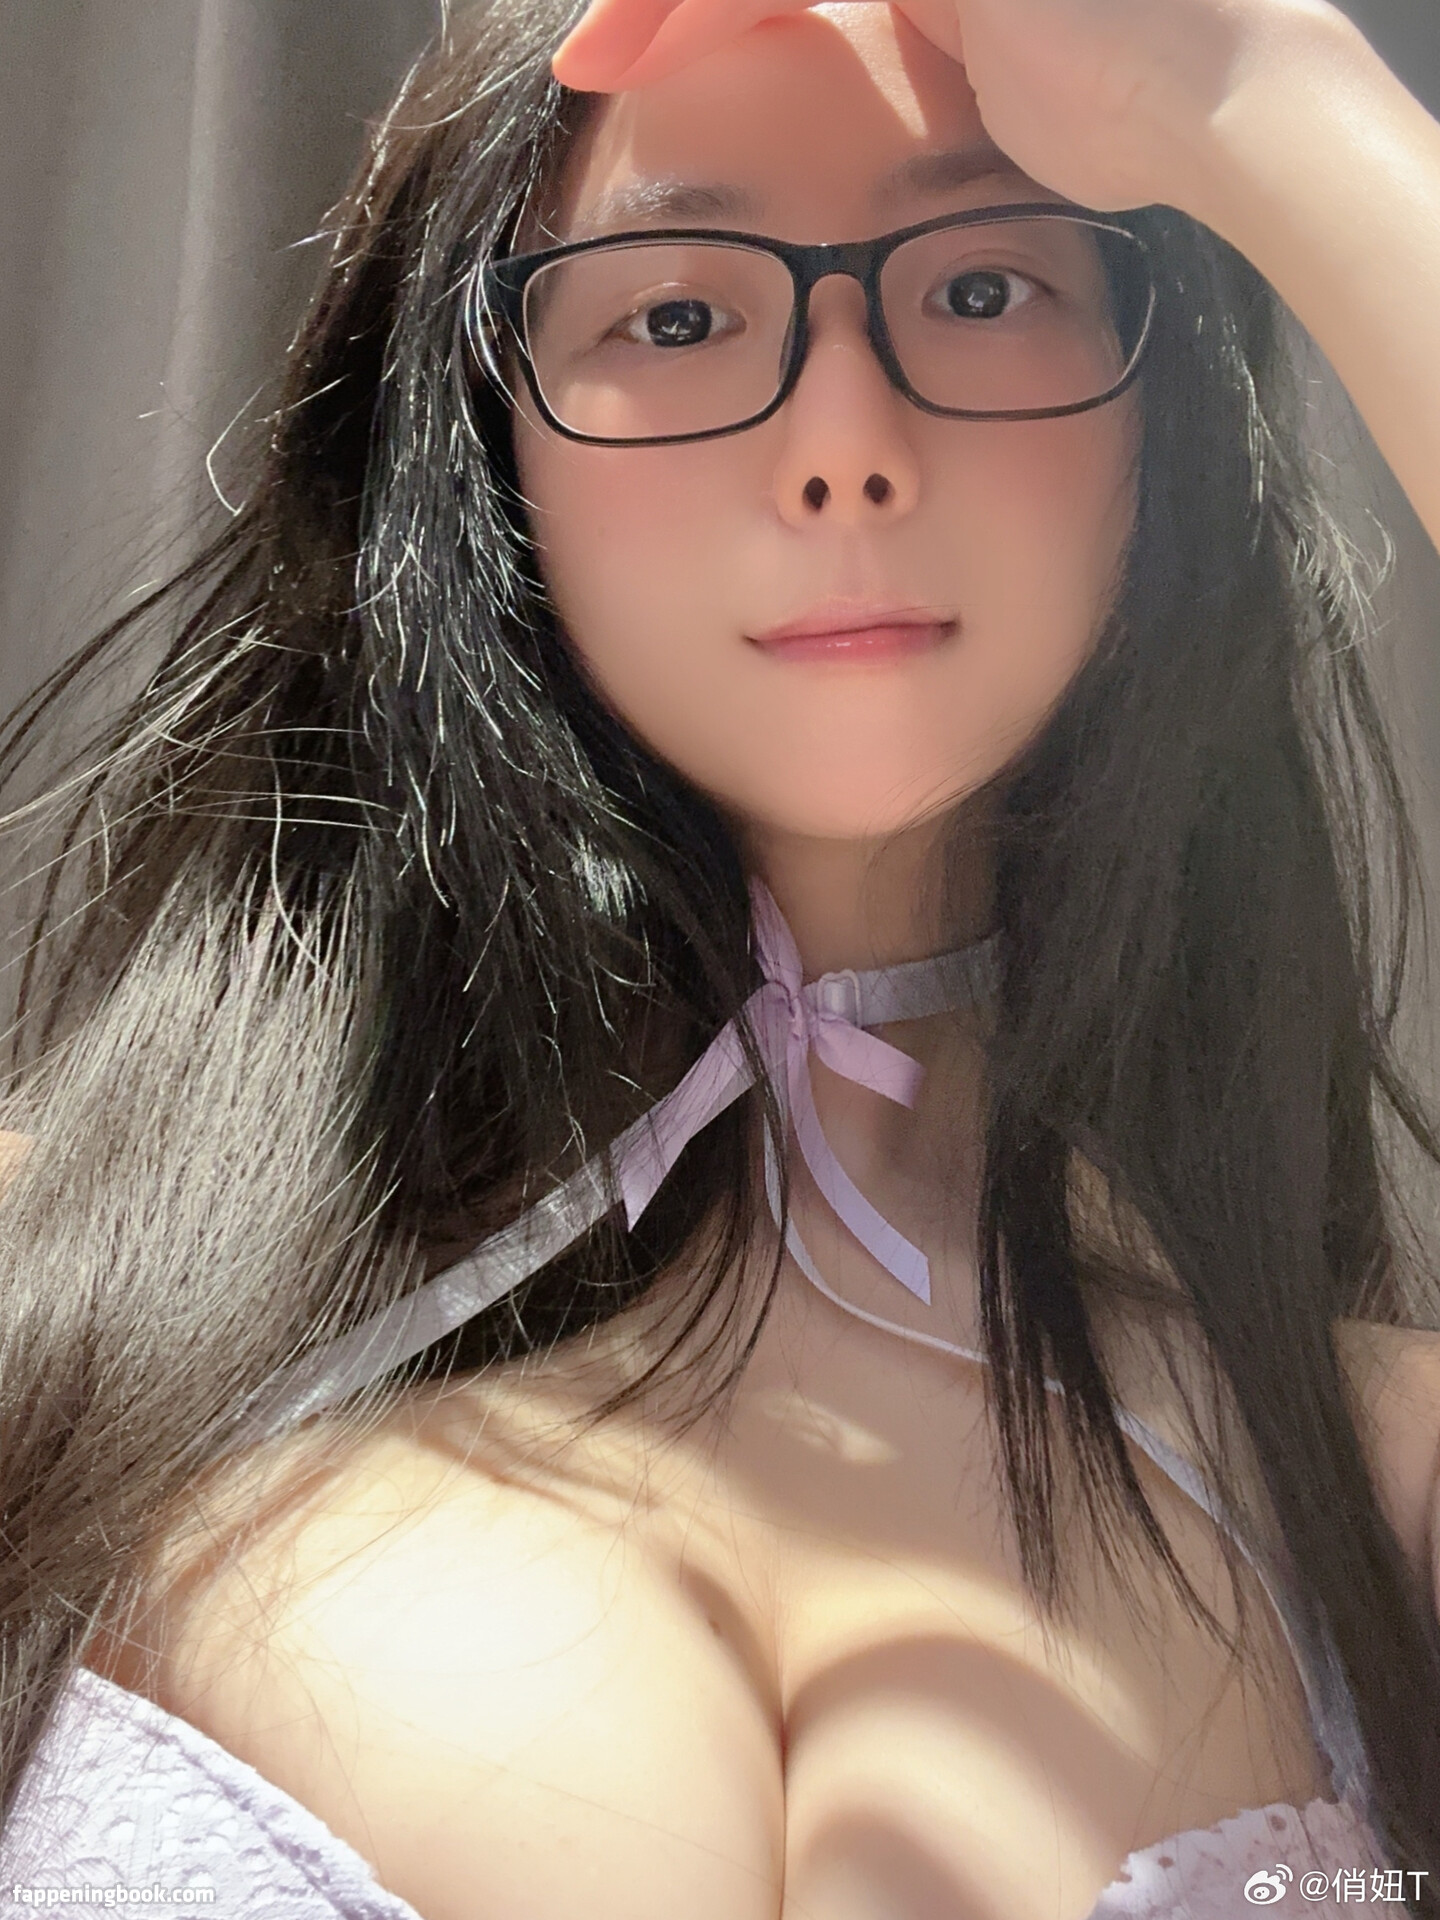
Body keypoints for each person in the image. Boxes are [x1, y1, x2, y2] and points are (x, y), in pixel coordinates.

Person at [1, 0, 1439, 1913]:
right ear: (485, 450)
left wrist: (1278, 107)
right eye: (675, 317)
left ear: (1153, 424)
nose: (846, 447)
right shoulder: (66, 1293)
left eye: (986, 288)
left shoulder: (1375, 1481)